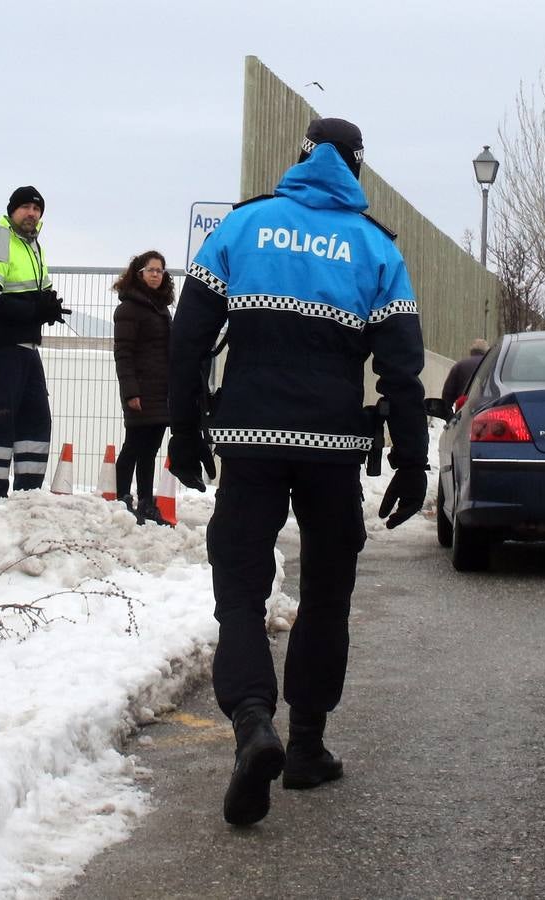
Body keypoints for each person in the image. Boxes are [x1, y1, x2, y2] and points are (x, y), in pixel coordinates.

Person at [168, 117, 428, 826]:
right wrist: (411, 459)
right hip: (334, 448)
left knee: (242, 588)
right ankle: (308, 747)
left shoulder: (244, 229)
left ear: (302, 158)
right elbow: (401, 370)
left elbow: (189, 336)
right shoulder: (376, 248)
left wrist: (183, 428)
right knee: (327, 592)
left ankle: (254, 723)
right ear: (356, 169)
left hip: (249, 438)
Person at [0, 186, 68, 501]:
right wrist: (35, 310)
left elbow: (42, 294)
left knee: (36, 420)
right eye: (26, 207)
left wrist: (50, 308)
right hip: (3, 348)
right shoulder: (3, 240)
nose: (32, 213)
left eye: (37, 208)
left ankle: (28, 496)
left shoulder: (35, 247)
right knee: (0, 422)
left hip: (28, 348)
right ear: (12, 210)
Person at [112, 250, 174, 526]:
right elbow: (123, 354)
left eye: (160, 271)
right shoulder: (128, 309)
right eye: (151, 270)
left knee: (150, 449)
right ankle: (123, 498)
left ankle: (147, 503)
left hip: (161, 391)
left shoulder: (161, 309)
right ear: (138, 274)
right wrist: (131, 392)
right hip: (140, 391)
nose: (156, 275)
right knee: (134, 446)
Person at [441, 337, 490, 407]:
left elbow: (448, 393)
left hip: (465, 409)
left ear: (471, 351)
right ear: (488, 352)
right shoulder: (492, 365)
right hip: (486, 408)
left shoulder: (460, 365)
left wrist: (447, 409)